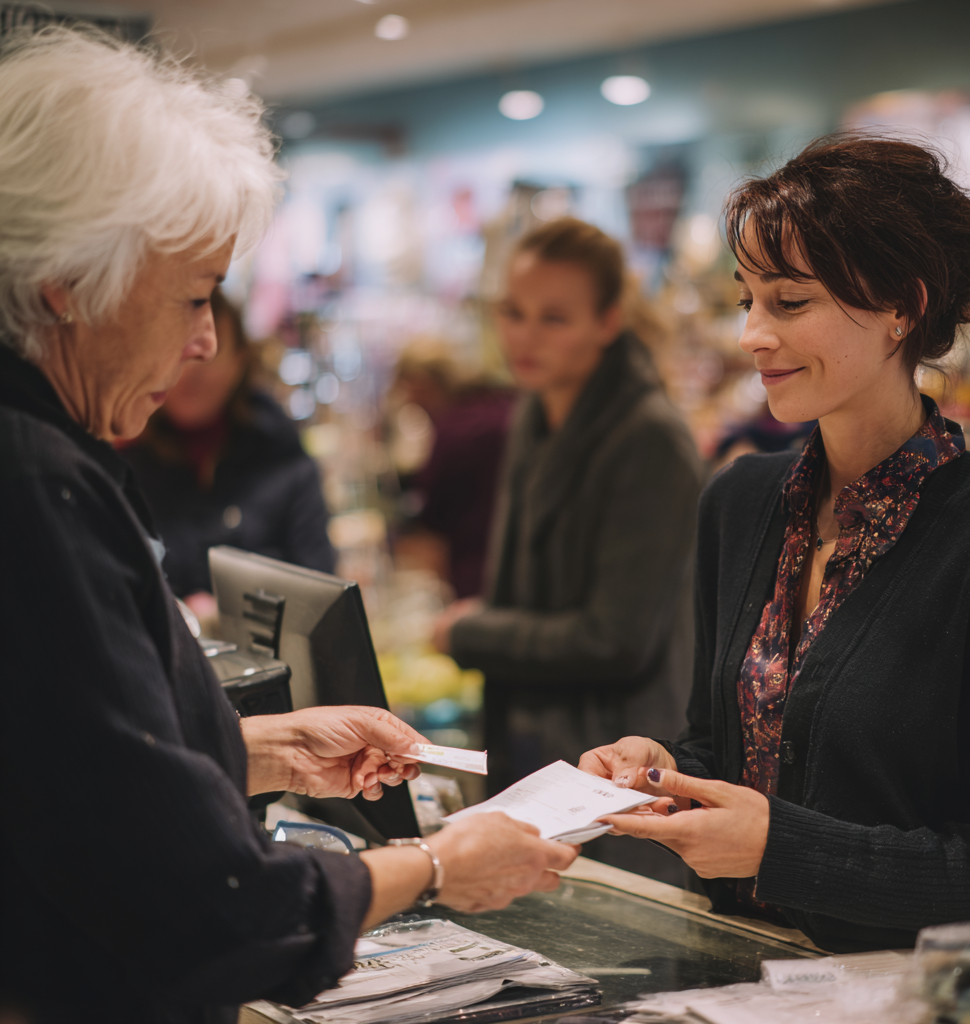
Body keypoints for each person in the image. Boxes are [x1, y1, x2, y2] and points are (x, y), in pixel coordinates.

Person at [0, 28, 576, 1024]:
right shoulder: (37, 481)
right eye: (188, 294)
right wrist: (434, 864)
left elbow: (64, 766)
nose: (205, 340)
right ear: (67, 280)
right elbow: (207, 912)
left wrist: (260, 748)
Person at [579, 135, 970, 953]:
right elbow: (719, 749)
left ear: (902, 309)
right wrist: (659, 771)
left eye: (788, 303)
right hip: (729, 968)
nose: (750, 334)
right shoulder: (741, 501)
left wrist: (782, 848)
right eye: (747, 298)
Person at [433, 217, 703, 884]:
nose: (524, 336)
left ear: (608, 321)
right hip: (533, 748)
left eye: (554, 318)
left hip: (611, 766)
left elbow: (617, 639)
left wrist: (472, 630)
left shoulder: (649, 438)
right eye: (513, 313)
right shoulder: (536, 406)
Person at [122, 287, 335, 615]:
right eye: (177, 350)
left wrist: (229, 612)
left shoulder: (284, 460)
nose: (190, 370)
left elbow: (322, 594)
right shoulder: (125, 466)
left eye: (207, 353)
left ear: (239, 361)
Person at [392, 340, 515, 598]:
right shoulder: (498, 403)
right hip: (514, 556)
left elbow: (432, 513)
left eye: (410, 387)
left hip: (476, 568)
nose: (409, 398)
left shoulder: (455, 431)